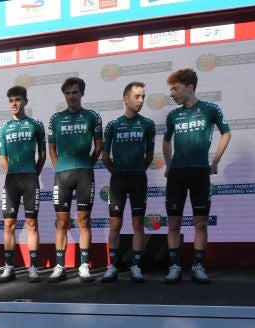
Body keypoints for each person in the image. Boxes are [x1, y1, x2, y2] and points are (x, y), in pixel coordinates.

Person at [162, 68, 231, 284]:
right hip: (177, 175)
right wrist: (169, 164)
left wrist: (216, 161)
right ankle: (174, 266)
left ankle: (198, 266)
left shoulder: (211, 109)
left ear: (189, 87)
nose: (171, 94)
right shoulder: (173, 115)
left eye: (175, 89)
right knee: (174, 223)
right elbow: (166, 141)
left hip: (200, 172)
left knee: (200, 223)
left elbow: (226, 133)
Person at [47, 77, 103, 282]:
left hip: (84, 174)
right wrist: (58, 166)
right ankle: (60, 265)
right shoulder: (56, 118)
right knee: (62, 222)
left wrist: (88, 164)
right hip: (62, 174)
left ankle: (84, 265)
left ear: (81, 94)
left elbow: (98, 146)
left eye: (75, 92)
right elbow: (51, 147)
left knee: (83, 221)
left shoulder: (92, 116)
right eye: (68, 93)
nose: (71, 96)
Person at [100, 81, 156, 283]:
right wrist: (117, 172)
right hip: (118, 180)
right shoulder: (113, 125)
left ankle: (136, 266)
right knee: (115, 223)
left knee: (138, 222)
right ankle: (112, 266)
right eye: (137, 96)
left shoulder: (147, 124)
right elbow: (105, 156)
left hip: (138, 178)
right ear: (126, 98)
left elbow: (149, 155)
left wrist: (138, 170)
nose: (141, 100)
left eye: (143, 96)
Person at [0, 85, 47, 283]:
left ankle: (33, 267)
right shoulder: (5, 128)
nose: (14, 104)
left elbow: (42, 155)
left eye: (17, 100)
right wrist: (12, 174)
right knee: (8, 224)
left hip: (30, 178)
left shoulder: (35, 125)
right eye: (11, 101)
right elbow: (2, 156)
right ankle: (9, 266)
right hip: (12, 180)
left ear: (25, 101)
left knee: (31, 223)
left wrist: (33, 174)